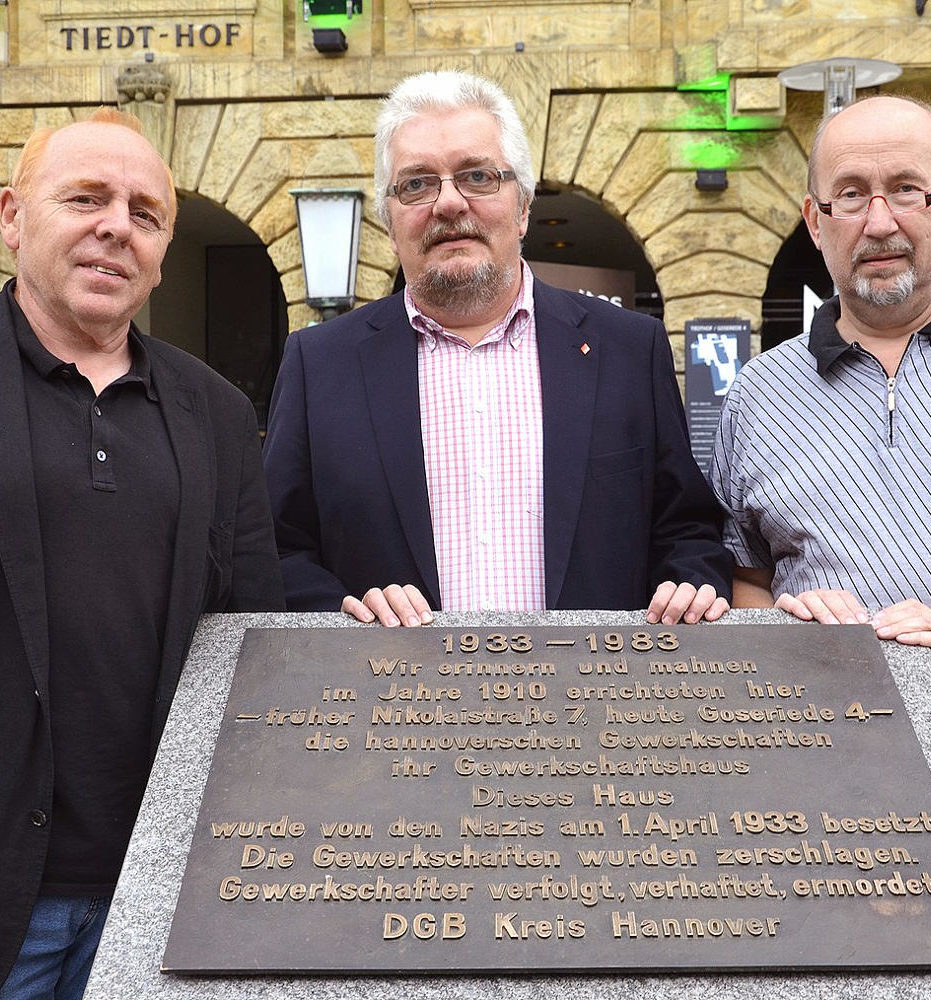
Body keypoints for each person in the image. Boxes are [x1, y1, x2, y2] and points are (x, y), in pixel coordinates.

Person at [263, 70, 731, 627]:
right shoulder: (320, 365)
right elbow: (274, 552)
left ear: (524, 205)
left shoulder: (628, 349)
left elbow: (687, 532)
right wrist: (340, 612)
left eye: (477, 176)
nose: (448, 204)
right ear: (390, 221)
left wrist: (690, 585)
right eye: (416, 184)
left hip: (592, 701)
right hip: (391, 704)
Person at [0, 109, 284, 998]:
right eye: (84, 197)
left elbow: (253, 640)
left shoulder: (219, 415)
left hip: (156, 896)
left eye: (145, 212)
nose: (115, 225)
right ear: (11, 217)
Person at [710, 94, 931, 791]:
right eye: (850, 195)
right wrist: (784, 624)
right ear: (816, 220)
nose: (880, 221)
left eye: (906, 190)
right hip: (823, 758)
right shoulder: (758, 393)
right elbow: (742, 576)